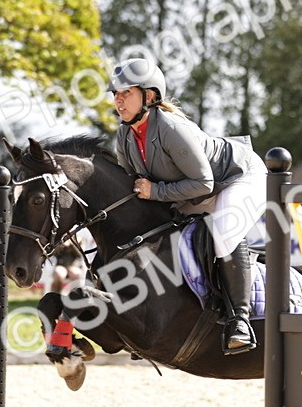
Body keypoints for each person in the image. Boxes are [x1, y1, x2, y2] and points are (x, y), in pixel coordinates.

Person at [108, 58, 267, 355]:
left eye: (126, 92)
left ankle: (240, 321)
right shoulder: (125, 136)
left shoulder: (170, 127)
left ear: (149, 96)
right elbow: (135, 190)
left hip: (237, 176)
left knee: (224, 233)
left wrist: (156, 191)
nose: (118, 100)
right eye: (115, 94)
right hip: (194, 190)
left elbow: (204, 183)